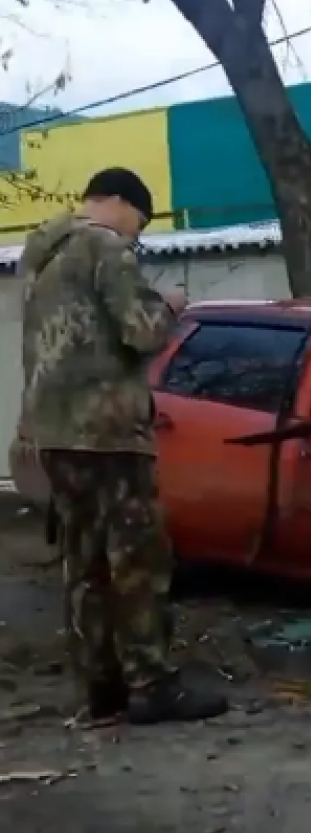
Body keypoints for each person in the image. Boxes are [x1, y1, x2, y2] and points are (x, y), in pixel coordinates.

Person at [18, 167, 229, 725]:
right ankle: (151, 684)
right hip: (109, 433)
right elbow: (142, 331)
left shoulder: (41, 257)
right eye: (136, 222)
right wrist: (171, 305)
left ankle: (100, 691)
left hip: (55, 434)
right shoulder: (104, 247)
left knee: (83, 565)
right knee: (136, 559)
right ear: (113, 201)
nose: (135, 236)